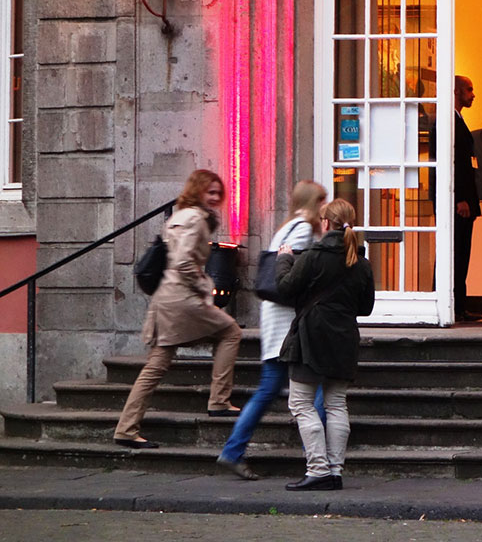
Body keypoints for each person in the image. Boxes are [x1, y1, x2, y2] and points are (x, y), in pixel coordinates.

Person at [113, 169, 242, 449]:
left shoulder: (180, 216)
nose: (216, 197)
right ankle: (219, 400)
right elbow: (183, 262)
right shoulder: (195, 218)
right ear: (197, 191)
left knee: (156, 365)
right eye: (210, 192)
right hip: (183, 299)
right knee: (231, 332)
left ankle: (126, 428)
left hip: (167, 299)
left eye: (218, 193)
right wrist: (204, 286)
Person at [215, 180, 327, 480]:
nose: (323, 209)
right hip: (289, 321)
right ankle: (319, 457)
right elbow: (300, 276)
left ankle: (233, 451)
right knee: (318, 388)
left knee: (269, 389)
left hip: (275, 317)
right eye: (321, 202)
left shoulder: (285, 228)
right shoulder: (303, 229)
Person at [276, 198, 375, 491]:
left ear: (325, 223)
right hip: (344, 338)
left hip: (311, 337)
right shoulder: (361, 262)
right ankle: (335, 470)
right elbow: (366, 307)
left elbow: (285, 287)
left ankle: (318, 469)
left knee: (301, 403)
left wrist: (284, 258)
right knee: (336, 403)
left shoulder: (314, 255)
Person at [453, 76, 482, 323]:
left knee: (462, 253)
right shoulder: (449, 121)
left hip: (466, 199)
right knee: (456, 253)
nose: (473, 94)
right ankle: (453, 304)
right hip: (459, 202)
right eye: (469, 90)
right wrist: (461, 199)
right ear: (456, 91)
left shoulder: (459, 120)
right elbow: (456, 165)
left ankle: (458, 305)